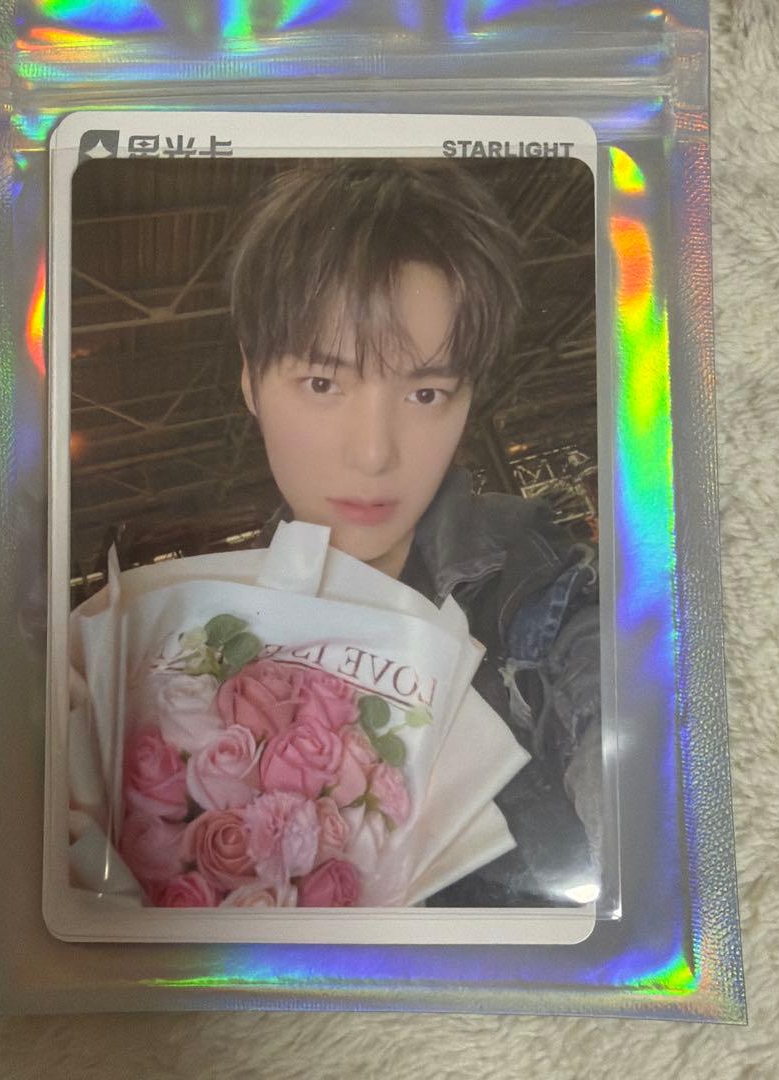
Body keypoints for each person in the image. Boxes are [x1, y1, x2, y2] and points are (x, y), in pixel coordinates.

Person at [229, 159, 601, 907]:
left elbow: (623, 731)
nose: (375, 454)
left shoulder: (538, 586)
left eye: (426, 393)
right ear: (252, 388)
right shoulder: (201, 639)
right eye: (323, 384)